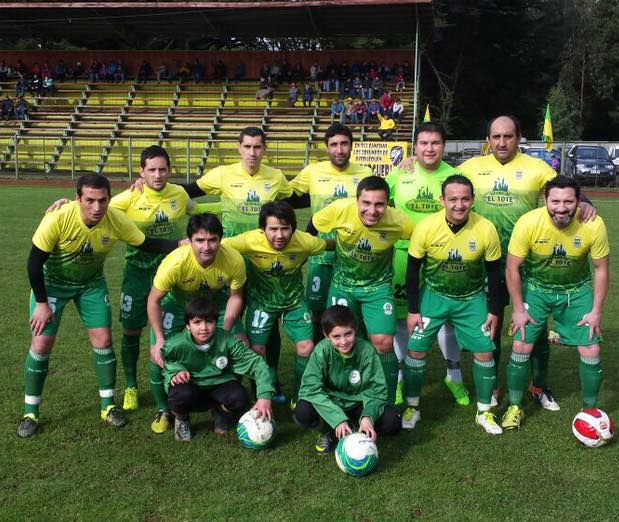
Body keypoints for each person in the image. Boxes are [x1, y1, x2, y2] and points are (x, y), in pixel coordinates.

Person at [44, 146, 221, 412]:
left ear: (170, 171)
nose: (158, 175)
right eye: (152, 169)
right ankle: (130, 386)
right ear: (142, 172)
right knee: (131, 331)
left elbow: (199, 211)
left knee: (171, 331)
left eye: (162, 169)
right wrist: (66, 203)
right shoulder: (127, 198)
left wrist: (233, 202)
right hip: (137, 274)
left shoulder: (179, 193)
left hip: (171, 275)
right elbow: (95, 206)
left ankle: (181, 383)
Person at [18, 174, 183, 438]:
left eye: (103, 200)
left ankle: (108, 407)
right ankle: (30, 412)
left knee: (104, 340)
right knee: (41, 344)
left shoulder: (115, 219)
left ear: (109, 198)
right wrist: (40, 303)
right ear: (78, 199)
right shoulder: (58, 217)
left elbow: (146, 243)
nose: (97, 207)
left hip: (91, 284)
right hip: (51, 285)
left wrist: (180, 244)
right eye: (90, 201)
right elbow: (34, 262)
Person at [457, 115, 596, 409]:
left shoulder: (537, 168)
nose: (502, 142)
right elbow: (443, 179)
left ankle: (539, 385)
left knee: (535, 327)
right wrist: (409, 163)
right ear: (488, 140)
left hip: (528, 264)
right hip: (487, 263)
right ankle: (491, 385)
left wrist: (585, 202)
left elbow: (565, 188)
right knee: (488, 326)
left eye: (508, 136)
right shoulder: (471, 167)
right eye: (496, 136)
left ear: (518, 138)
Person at [501, 176, 609, 430]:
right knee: (520, 343)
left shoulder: (594, 224)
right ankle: (515, 406)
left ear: (578, 201)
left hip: (576, 291)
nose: (561, 208)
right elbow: (512, 268)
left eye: (568, 201)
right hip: (536, 289)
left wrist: (596, 312)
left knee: (591, 348)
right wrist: (518, 309)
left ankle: (590, 410)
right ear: (545, 200)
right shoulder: (528, 223)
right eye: (555, 201)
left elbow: (601, 269)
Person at [405, 175, 503, 435]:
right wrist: (413, 310)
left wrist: (494, 310)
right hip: (433, 296)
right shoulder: (426, 227)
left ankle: (484, 412)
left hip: (471, 299)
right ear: (442, 200)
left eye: (464, 199)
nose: (459, 205)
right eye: (453, 199)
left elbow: (494, 273)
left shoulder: (486, 228)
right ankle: (412, 407)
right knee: (416, 350)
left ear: (472, 200)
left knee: (485, 351)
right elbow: (413, 271)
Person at [386, 122, 468, 419]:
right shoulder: (400, 174)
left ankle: (454, 377)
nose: (429, 148)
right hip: (402, 256)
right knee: (401, 319)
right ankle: (397, 380)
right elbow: (374, 201)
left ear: (443, 146)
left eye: (435, 143)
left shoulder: (455, 178)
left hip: (442, 259)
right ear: (415, 146)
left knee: (449, 319)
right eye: (423, 143)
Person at [309, 176, 414, 404]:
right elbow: (313, 225)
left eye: (379, 204)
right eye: (366, 203)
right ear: (357, 200)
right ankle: (342, 394)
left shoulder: (399, 221)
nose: (372, 210)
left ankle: (385, 399)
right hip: (343, 287)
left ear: (388, 204)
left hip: (378, 288)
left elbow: (418, 241)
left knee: (383, 343)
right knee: (341, 342)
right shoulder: (339, 209)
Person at [147, 213, 247, 434]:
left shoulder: (233, 259)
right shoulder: (175, 262)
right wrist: (159, 338)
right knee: (158, 355)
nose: (207, 246)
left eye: (212, 240)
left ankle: (221, 406)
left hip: (215, 306)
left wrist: (226, 331)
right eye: (200, 240)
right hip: (177, 306)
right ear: (189, 240)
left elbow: (236, 296)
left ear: (221, 239)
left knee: (240, 346)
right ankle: (166, 410)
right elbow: (154, 300)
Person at [223, 201, 330, 404]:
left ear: (293, 228)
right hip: (261, 302)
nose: (279, 235)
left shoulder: (305, 242)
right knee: (257, 350)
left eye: (285, 229)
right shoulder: (248, 241)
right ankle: (263, 394)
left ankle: (300, 397)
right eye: (273, 229)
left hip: (294, 303)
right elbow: (218, 244)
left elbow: (330, 245)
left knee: (306, 347)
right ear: (262, 229)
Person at [288, 124, 372, 345]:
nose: (339, 149)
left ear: (352, 146)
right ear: (326, 148)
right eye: (334, 144)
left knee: (351, 310)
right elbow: (286, 195)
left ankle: (354, 357)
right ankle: (319, 355)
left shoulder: (364, 173)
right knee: (317, 310)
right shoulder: (313, 171)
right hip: (321, 254)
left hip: (353, 256)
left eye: (344, 143)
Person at [294, 305, 401, 454]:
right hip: (330, 403)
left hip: (359, 403)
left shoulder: (367, 351)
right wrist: (337, 418)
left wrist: (368, 416)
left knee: (392, 421)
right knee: (303, 411)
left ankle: (358, 427)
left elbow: (377, 391)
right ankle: (329, 431)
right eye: (336, 337)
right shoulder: (321, 351)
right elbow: (309, 389)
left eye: (348, 334)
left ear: (355, 330)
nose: (343, 342)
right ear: (326, 335)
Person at [162, 298, 274, 441]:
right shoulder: (175, 344)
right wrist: (175, 371)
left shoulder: (227, 340)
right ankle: (181, 419)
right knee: (180, 394)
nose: (204, 327)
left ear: (216, 322)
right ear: (188, 325)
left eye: (209, 321)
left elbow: (257, 363)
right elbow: (165, 360)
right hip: (191, 386)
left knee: (239, 398)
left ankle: (220, 411)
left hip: (220, 383)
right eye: (197, 322)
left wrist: (264, 396)